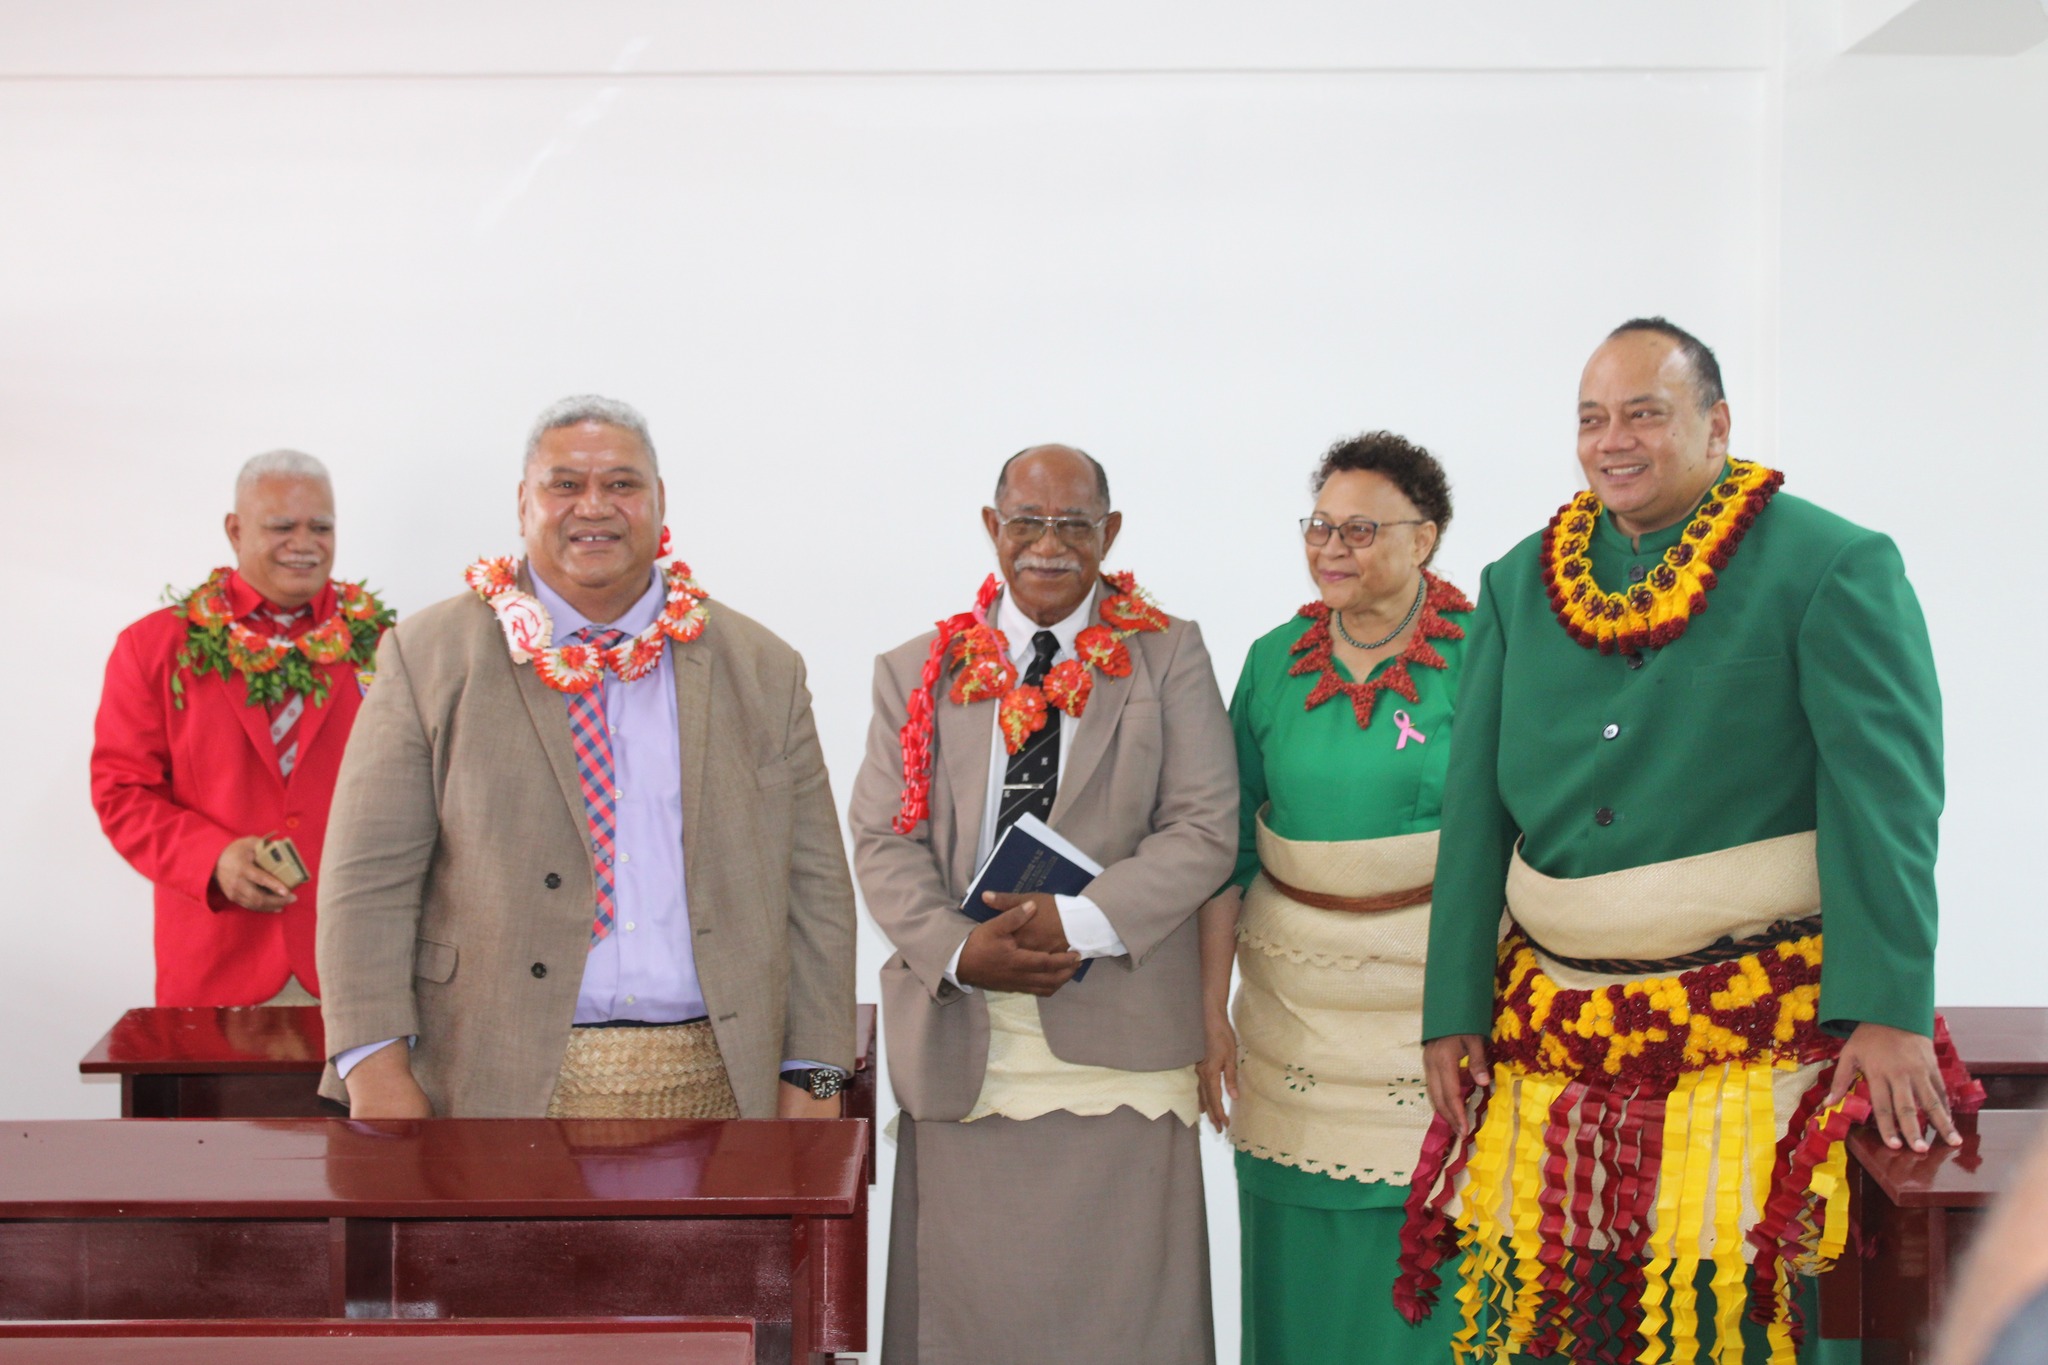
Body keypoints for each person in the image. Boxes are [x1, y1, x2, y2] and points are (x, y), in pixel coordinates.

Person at [1400, 319, 1971, 1363]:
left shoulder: (1829, 563)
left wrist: (1885, 1008)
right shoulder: (1515, 583)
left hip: (1758, 1041)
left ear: (1715, 426)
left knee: (1756, 1326)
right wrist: (1451, 1010)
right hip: (1551, 1044)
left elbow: (1886, 800)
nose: (1611, 440)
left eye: (1643, 414)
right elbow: (1473, 815)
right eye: (1590, 419)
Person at [315, 395, 856, 1120]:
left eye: (622, 484)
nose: (593, 506)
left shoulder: (763, 668)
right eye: (564, 484)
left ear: (660, 502)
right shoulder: (429, 657)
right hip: (482, 1088)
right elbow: (365, 885)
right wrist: (375, 1079)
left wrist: (819, 1087)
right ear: (523, 503)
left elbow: (816, 897)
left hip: (727, 1092)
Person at [848, 444, 1237, 1364]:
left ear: (1110, 533)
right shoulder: (917, 669)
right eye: (1027, 522)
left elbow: (1205, 827)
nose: (1049, 545)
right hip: (962, 1036)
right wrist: (954, 947)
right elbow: (880, 839)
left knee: (1129, 1324)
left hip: (1120, 1040)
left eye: (1074, 525)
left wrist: (1080, 920)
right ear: (993, 528)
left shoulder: (1166, 653)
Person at [1196, 432, 1471, 1364]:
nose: (1332, 547)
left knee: (1437, 1276)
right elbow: (1228, 849)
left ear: (1424, 538)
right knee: (1302, 1279)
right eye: (1320, 525)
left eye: (1361, 528)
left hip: (1440, 1021)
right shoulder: (1273, 662)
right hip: (1292, 1022)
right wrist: (1209, 1009)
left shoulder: (1485, 653)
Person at [92, 450, 391, 1007]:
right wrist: (211, 859)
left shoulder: (389, 646)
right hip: (217, 965)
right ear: (235, 530)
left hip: (360, 968)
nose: (304, 543)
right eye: (282, 526)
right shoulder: (154, 648)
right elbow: (122, 794)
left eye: (320, 527)